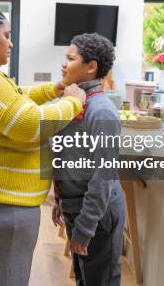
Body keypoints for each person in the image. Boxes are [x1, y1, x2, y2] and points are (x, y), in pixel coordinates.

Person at [0, 5, 87, 286]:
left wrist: (51, 90)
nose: (10, 43)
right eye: (6, 35)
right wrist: (72, 102)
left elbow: (13, 98)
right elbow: (29, 124)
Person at [51, 33, 126, 286]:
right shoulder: (72, 103)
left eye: (70, 58)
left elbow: (102, 179)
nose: (64, 64)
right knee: (84, 279)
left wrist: (84, 228)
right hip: (76, 209)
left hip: (96, 215)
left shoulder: (101, 111)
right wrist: (60, 199)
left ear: (91, 67)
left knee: (100, 281)